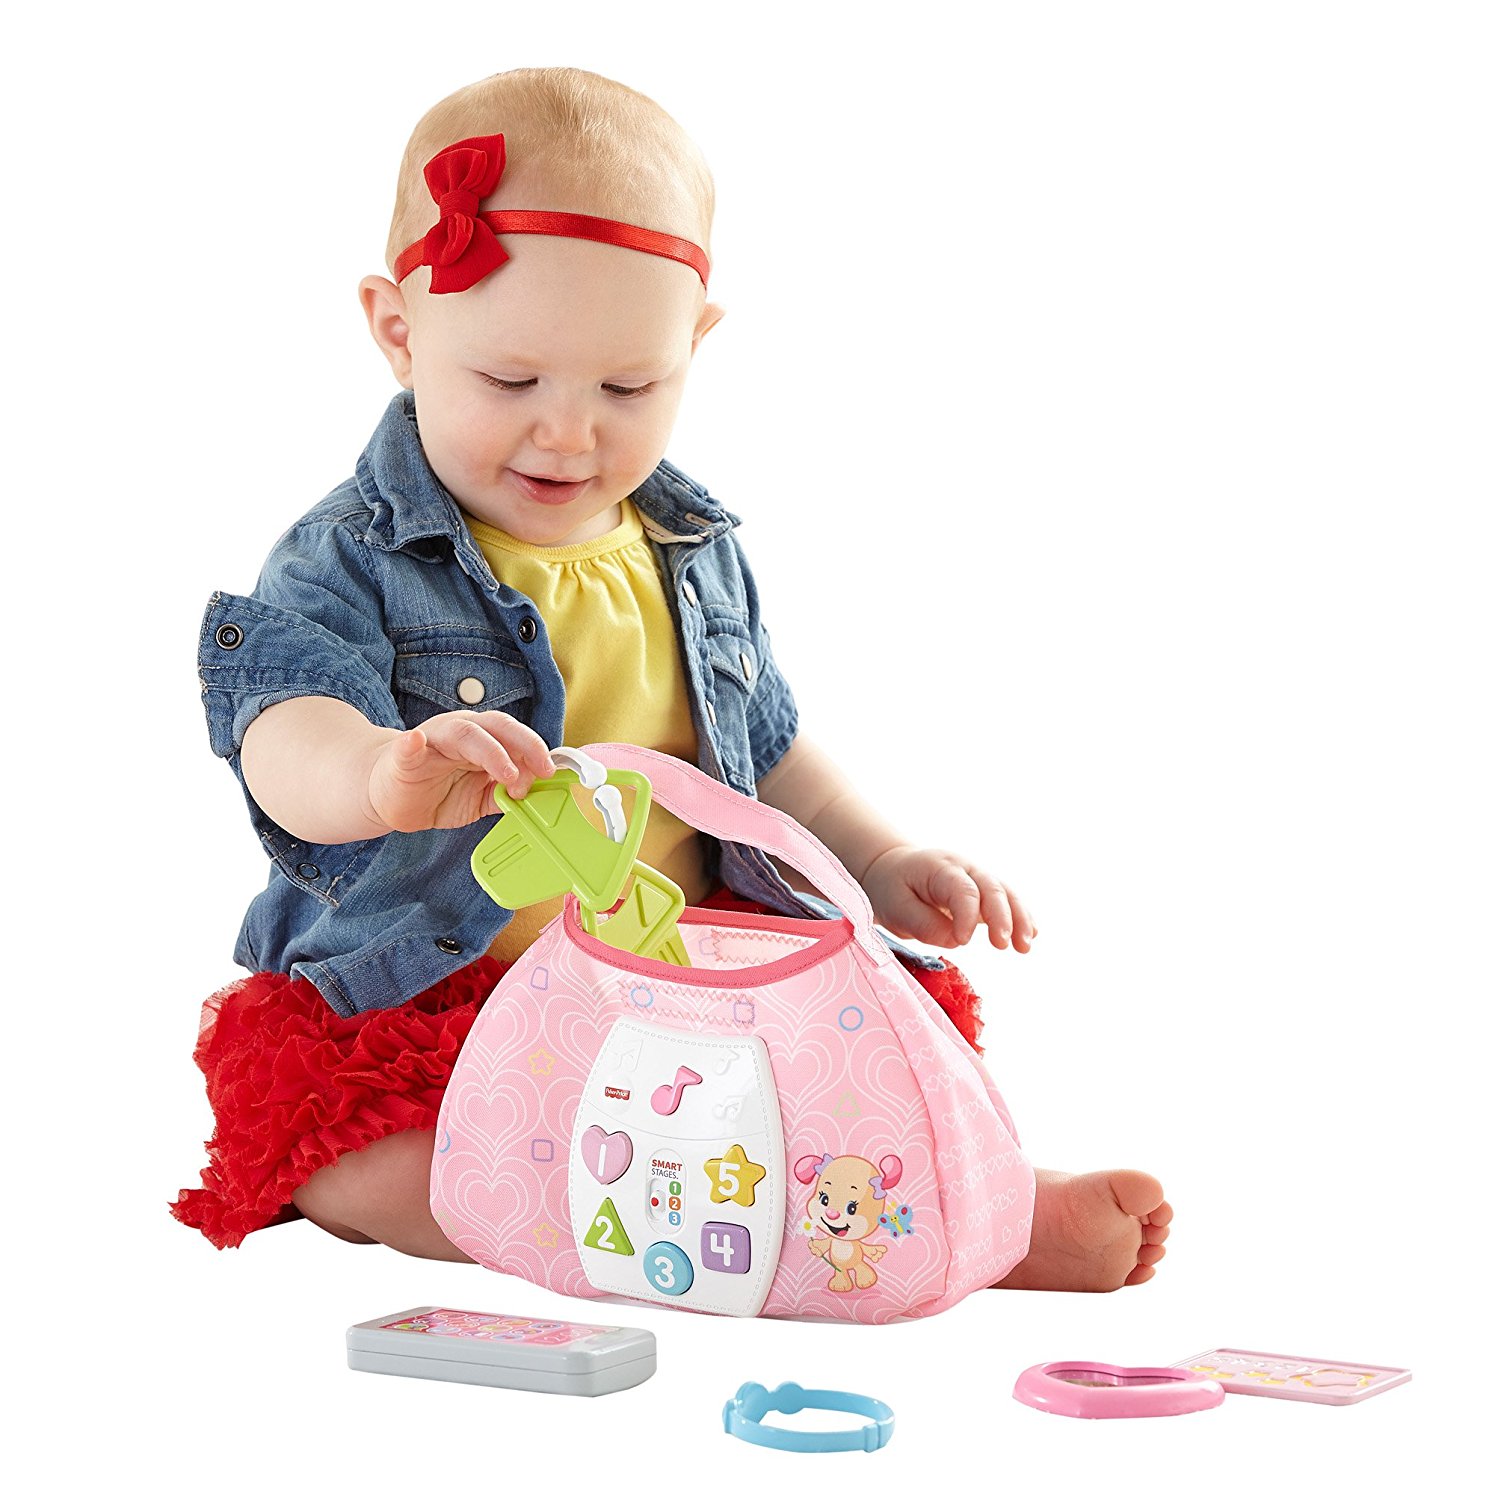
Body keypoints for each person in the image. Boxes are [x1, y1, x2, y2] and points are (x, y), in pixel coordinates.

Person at [173, 66, 1170, 1293]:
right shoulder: (347, 557)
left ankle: (980, 1215)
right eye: (510, 381)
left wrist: (876, 857)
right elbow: (284, 726)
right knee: (348, 1157)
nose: (569, 432)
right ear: (399, 329)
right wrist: (378, 772)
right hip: (446, 995)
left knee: (887, 1054)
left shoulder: (687, 548)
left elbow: (766, 756)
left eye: (628, 388)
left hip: (680, 989)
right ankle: (694, 1230)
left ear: (693, 342)